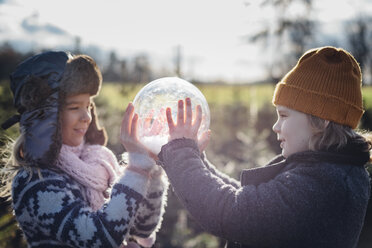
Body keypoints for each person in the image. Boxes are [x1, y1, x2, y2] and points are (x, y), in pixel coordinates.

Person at [124, 46, 371, 247]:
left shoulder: (324, 184)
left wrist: (180, 151)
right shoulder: (332, 172)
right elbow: (248, 200)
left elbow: (231, 211)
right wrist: (193, 158)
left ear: (320, 120)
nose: (276, 126)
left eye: (284, 116)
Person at [0, 51, 168, 248]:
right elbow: (97, 238)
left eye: (88, 106)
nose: (86, 117)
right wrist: (136, 171)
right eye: (74, 107)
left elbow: (142, 228)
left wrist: (151, 170)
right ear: (45, 118)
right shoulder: (35, 180)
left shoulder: (98, 161)